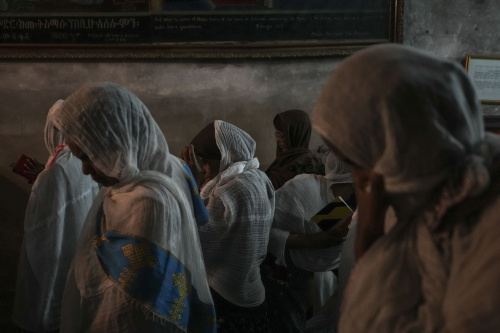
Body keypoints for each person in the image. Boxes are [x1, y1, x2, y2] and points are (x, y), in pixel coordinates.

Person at [311, 43, 500, 332]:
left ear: (399, 146)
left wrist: (369, 226)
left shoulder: (486, 229)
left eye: (357, 160)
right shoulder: (412, 195)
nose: (362, 178)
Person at [50, 82, 216, 332]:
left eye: (89, 156)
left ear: (116, 144)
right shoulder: (120, 186)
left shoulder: (151, 202)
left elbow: (128, 312)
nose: (85, 170)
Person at [12, 100, 99, 333]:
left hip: (56, 253)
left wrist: (40, 184)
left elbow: (40, 222)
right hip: (81, 248)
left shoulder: (57, 168)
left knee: (49, 303)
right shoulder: (85, 160)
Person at [181, 120, 275, 332]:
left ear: (223, 157)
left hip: (226, 298)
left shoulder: (229, 191)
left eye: (203, 161)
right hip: (254, 290)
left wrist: (193, 183)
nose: (202, 169)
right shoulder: (259, 178)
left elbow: (197, 241)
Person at [263, 151, 355, 333]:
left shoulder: (341, 203)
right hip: (275, 273)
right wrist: (312, 241)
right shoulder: (305, 188)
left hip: (299, 280)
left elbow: (330, 240)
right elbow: (261, 227)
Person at [265, 109, 325, 190]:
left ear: (298, 135)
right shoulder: (282, 162)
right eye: (278, 135)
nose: (279, 142)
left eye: (284, 137)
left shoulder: (307, 168)